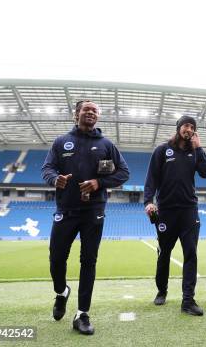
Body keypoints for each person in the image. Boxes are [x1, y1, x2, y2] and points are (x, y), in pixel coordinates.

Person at [42, 100, 130, 335]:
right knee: (56, 258)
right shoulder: (61, 142)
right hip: (66, 210)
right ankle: (61, 292)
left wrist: (98, 182)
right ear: (76, 113)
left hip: (94, 211)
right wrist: (55, 179)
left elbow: (124, 172)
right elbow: (47, 168)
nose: (90, 112)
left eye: (95, 110)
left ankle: (82, 314)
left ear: (98, 116)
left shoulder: (106, 144)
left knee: (88, 261)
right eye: (86, 109)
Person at [144, 115, 206, 316]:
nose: (188, 129)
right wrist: (149, 201)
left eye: (192, 126)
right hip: (165, 211)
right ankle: (161, 291)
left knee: (191, 254)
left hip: (189, 211)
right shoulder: (162, 150)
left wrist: (199, 149)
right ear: (178, 128)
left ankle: (188, 300)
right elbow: (151, 179)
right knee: (164, 254)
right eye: (185, 125)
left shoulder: (194, 152)